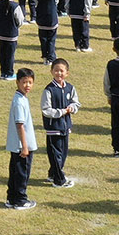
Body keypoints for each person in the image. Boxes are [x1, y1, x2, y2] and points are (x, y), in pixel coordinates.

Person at [40, 58, 78, 187]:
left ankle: (53, 174)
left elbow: (75, 102)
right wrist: (61, 112)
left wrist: (72, 108)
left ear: (67, 73)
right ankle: (59, 181)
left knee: (63, 153)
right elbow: (46, 110)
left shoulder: (70, 88)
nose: (59, 73)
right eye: (56, 70)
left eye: (61, 71)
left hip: (65, 127)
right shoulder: (49, 90)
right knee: (55, 154)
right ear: (52, 72)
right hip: (53, 127)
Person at [6, 67, 38, 210]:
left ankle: (11, 198)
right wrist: (25, 146)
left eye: (30, 82)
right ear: (17, 82)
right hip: (21, 146)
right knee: (21, 173)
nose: (27, 85)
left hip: (17, 145)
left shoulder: (21, 98)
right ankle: (20, 200)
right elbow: (20, 125)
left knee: (15, 172)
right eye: (24, 82)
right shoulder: (19, 102)